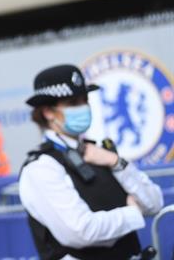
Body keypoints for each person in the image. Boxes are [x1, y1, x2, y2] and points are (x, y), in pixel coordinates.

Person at [19, 64, 163, 259]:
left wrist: (116, 162)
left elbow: (154, 203)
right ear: (48, 112)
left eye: (84, 100)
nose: (83, 107)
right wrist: (132, 213)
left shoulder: (101, 153)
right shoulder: (41, 167)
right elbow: (81, 232)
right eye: (72, 103)